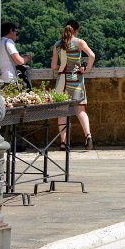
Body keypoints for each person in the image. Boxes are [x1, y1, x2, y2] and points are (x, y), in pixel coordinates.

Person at [50, 19, 95, 150]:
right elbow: (91, 55)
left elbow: (53, 66)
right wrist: (87, 68)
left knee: (61, 111)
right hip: (75, 79)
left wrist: (61, 67)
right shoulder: (79, 42)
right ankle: (88, 136)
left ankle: (63, 142)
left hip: (61, 80)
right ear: (76, 30)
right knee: (80, 110)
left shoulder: (57, 44)